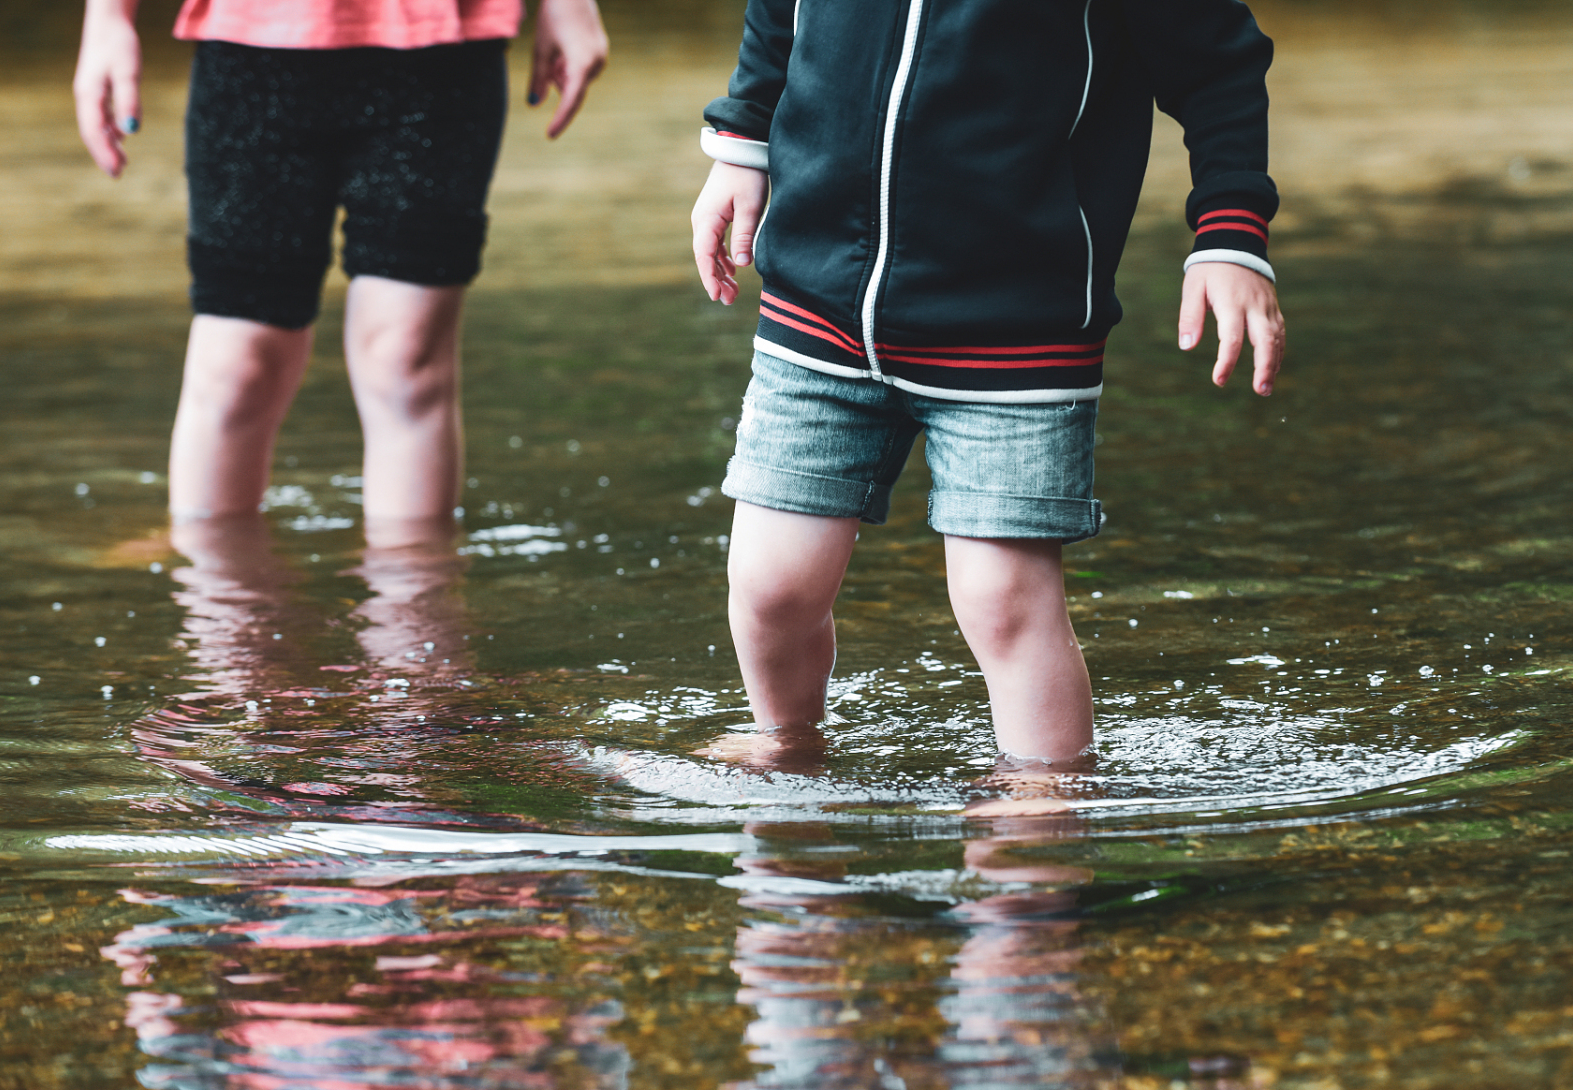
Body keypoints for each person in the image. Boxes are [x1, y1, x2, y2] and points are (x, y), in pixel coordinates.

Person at [690, 0, 1285, 775]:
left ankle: (1044, 817)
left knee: (1002, 599)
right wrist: (742, 143)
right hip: (818, 298)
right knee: (772, 586)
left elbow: (1218, 63)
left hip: (1015, 321)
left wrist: (1230, 237)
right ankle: (789, 753)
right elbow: (780, 14)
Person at [73, 0, 609, 523]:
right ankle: (218, 600)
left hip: (444, 49)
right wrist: (108, 19)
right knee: (234, 370)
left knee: (406, 362)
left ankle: (413, 605)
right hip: (252, 45)